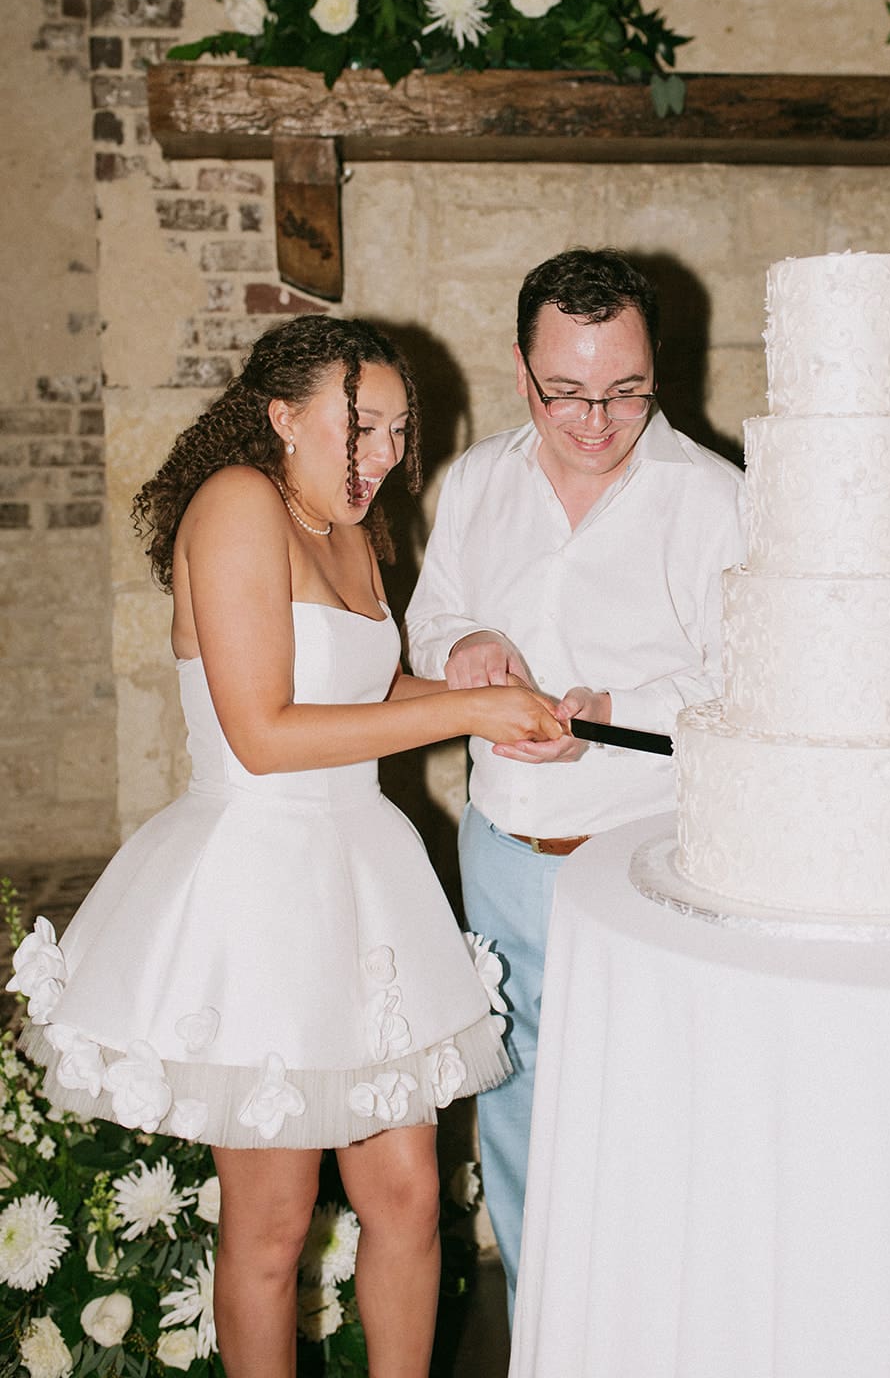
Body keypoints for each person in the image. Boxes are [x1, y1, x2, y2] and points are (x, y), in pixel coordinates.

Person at [7, 314, 562, 1378]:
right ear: (281, 415)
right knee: (273, 1220)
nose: (388, 455)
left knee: (405, 1194)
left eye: (402, 431)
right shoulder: (236, 505)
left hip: (361, 874)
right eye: (364, 428)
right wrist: (461, 719)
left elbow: (362, 692)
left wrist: (483, 697)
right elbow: (263, 732)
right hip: (260, 880)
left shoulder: (353, 531)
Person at [405, 247, 746, 1307]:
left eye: (625, 391)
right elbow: (433, 614)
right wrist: (463, 648)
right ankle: (542, 1330)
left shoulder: (717, 498)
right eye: (567, 392)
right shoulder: (472, 482)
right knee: (513, 1101)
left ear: (657, 370)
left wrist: (611, 719)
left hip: (647, 857)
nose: (596, 418)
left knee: (657, 1111)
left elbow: (753, 685)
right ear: (521, 370)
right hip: (501, 844)